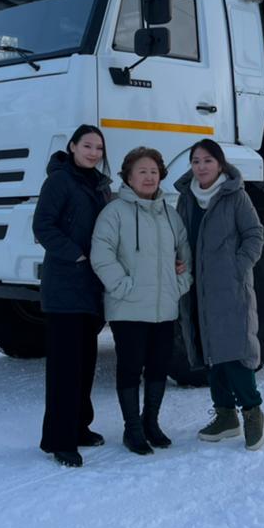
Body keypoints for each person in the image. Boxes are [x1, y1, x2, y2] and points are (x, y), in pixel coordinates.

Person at [90, 147, 192, 455]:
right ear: (129, 177)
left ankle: (152, 423)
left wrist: (180, 284)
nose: (148, 177)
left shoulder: (170, 215)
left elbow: (184, 253)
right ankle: (132, 429)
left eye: (153, 171)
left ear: (161, 175)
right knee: (130, 367)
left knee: (159, 366)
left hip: (164, 306)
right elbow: (101, 254)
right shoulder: (114, 213)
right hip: (128, 307)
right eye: (141, 172)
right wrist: (122, 287)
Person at [174, 139, 264, 451]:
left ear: (220, 164)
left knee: (235, 350)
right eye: (196, 161)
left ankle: (252, 411)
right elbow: (180, 237)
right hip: (197, 287)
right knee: (210, 351)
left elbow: (255, 235)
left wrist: (237, 268)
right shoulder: (187, 198)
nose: (201, 167)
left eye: (208, 161)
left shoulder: (235, 195)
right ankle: (225, 415)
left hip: (229, 286)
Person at [32, 125, 113, 468]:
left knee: (85, 362)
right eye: (88, 146)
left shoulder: (98, 184)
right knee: (65, 367)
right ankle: (59, 440)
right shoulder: (59, 181)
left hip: (91, 288)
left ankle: (80, 426)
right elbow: (43, 226)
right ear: (73, 146)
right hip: (66, 284)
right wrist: (76, 254)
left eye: (98, 148)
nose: (94, 153)